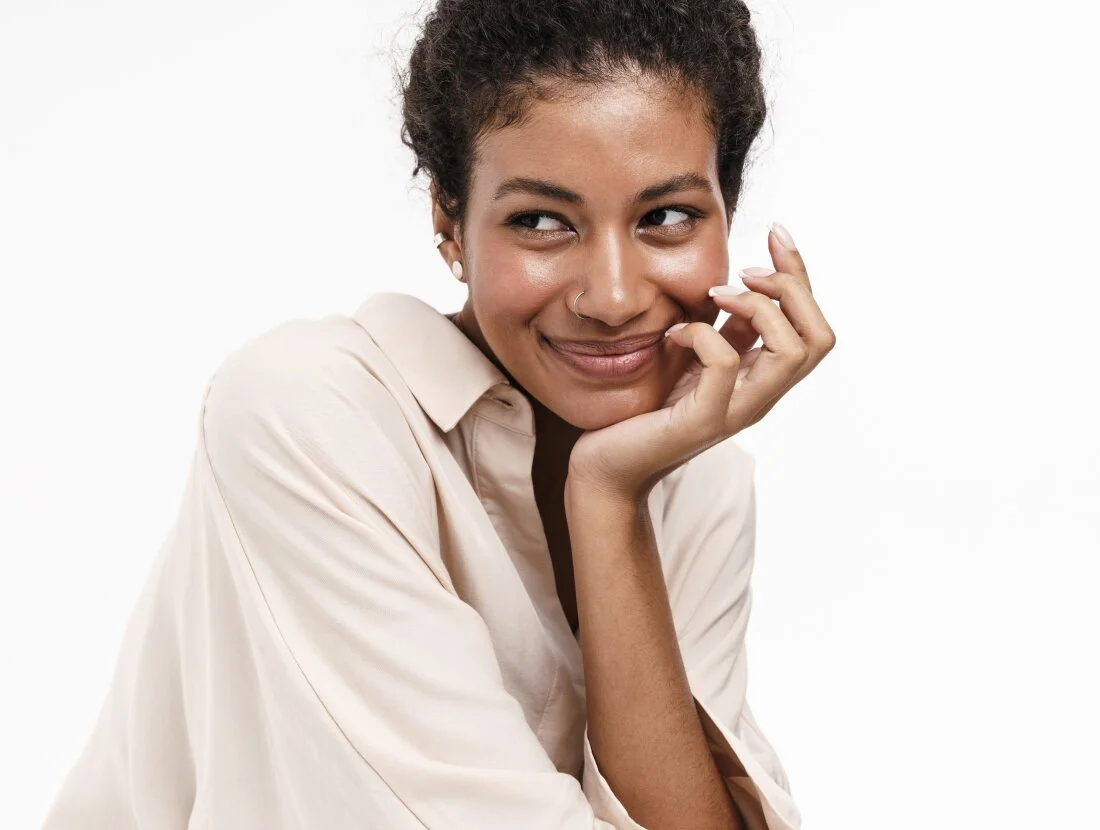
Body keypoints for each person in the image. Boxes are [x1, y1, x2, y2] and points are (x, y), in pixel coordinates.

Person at [43, 1, 835, 828]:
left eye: (665, 217)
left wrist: (608, 499)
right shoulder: (305, 412)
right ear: (448, 223)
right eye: (541, 222)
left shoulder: (699, 479)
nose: (612, 297)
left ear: (727, 215)